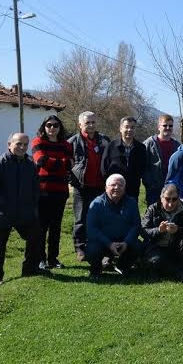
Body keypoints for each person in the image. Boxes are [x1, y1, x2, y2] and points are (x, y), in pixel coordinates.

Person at [0, 133, 44, 286]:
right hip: (0, 213)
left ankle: (30, 269)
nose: (22, 147)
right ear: (9, 144)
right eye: (18, 144)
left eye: (25, 144)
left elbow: (36, 187)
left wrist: (31, 205)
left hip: (23, 212)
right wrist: (6, 207)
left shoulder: (30, 164)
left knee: (36, 235)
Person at [31, 115, 73, 270]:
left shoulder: (66, 145)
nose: (52, 128)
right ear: (44, 127)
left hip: (60, 191)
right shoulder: (38, 142)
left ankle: (53, 259)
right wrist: (61, 163)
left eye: (56, 125)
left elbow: (70, 164)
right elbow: (41, 161)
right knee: (41, 227)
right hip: (42, 192)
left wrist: (53, 163)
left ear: (60, 128)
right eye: (49, 125)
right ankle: (40, 259)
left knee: (56, 228)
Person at [68, 111, 110, 261]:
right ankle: (80, 248)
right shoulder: (72, 142)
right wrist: (72, 180)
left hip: (101, 187)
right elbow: (67, 164)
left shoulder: (104, 141)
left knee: (101, 218)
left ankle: (101, 246)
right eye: (87, 123)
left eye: (93, 122)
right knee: (80, 218)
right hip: (82, 187)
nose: (91, 125)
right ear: (80, 124)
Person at [86, 174, 141, 280]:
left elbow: (136, 225)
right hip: (103, 242)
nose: (116, 187)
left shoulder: (132, 203)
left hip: (123, 242)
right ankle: (95, 270)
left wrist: (126, 242)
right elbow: (92, 229)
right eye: (113, 185)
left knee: (137, 246)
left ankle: (122, 267)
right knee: (92, 249)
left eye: (120, 185)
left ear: (124, 188)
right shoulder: (96, 204)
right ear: (106, 188)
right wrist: (109, 243)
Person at [141, 183, 183, 281]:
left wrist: (177, 230)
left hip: (176, 246)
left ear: (178, 198)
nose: (170, 203)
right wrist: (158, 230)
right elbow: (143, 230)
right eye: (167, 199)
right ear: (161, 198)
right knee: (155, 261)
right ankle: (177, 272)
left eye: (174, 199)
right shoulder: (152, 208)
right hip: (157, 246)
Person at [101, 116, 147, 199]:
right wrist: (110, 184)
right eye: (126, 127)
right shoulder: (111, 146)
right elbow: (104, 168)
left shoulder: (141, 148)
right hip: (114, 189)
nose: (129, 130)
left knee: (130, 211)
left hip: (132, 189)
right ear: (120, 128)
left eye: (132, 127)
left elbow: (143, 168)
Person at [143, 114, 180, 207]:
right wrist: (149, 182)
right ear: (159, 127)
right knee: (154, 214)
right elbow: (143, 165)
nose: (168, 128)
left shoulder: (177, 146)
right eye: (165, 125)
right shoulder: (149, 143)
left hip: (171, 187)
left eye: (170, 126)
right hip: (153, 188)